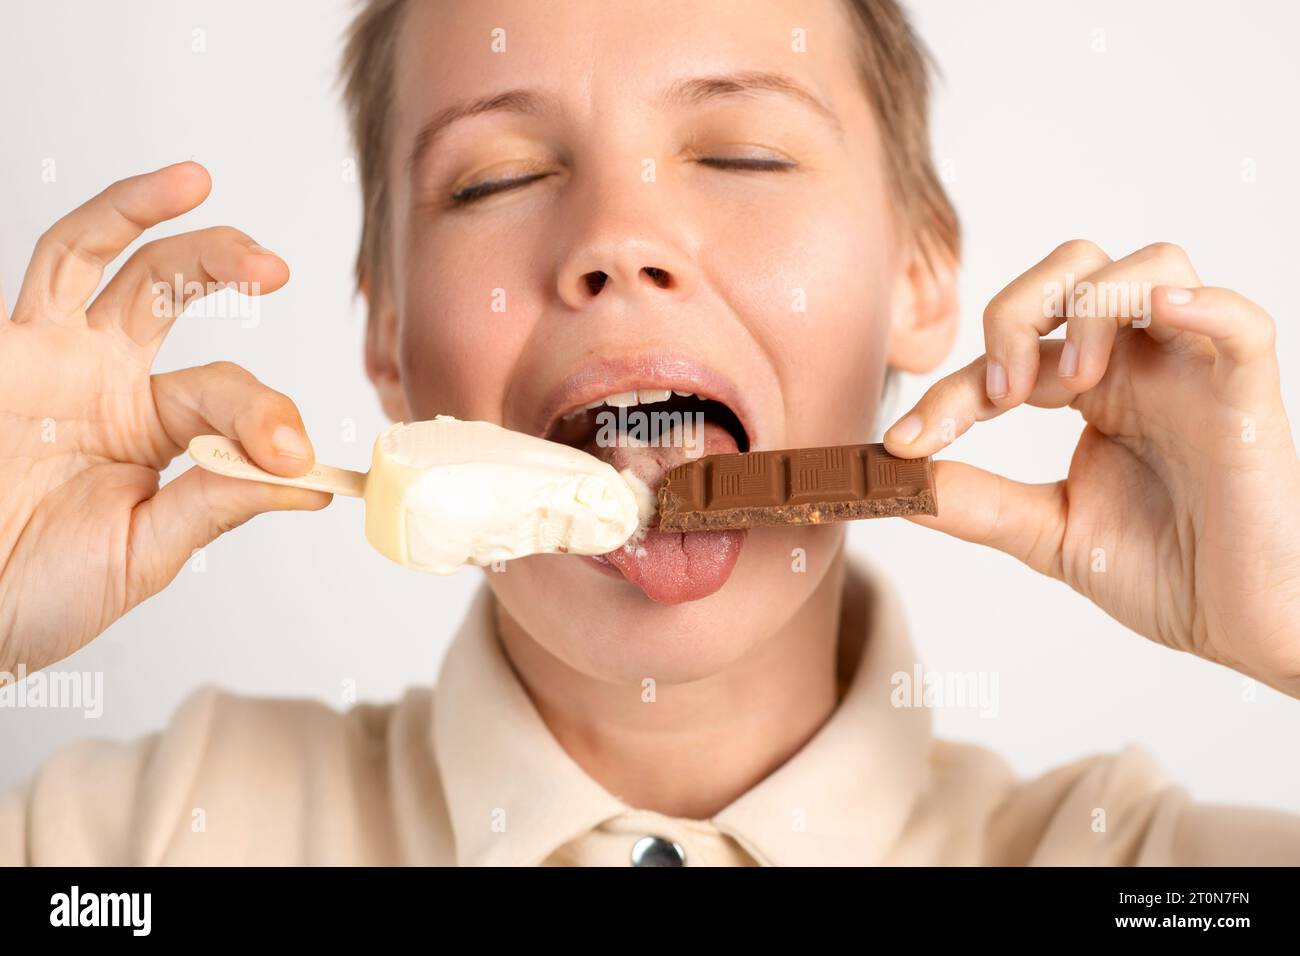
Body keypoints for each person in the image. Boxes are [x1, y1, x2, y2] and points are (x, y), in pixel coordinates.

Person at [2, 0, 1298, 866]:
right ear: (388, 336)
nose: (617, 240)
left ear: (919, 273)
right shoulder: (131, 846)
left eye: (740, 155)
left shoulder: (1153, 874)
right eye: (495, 179)